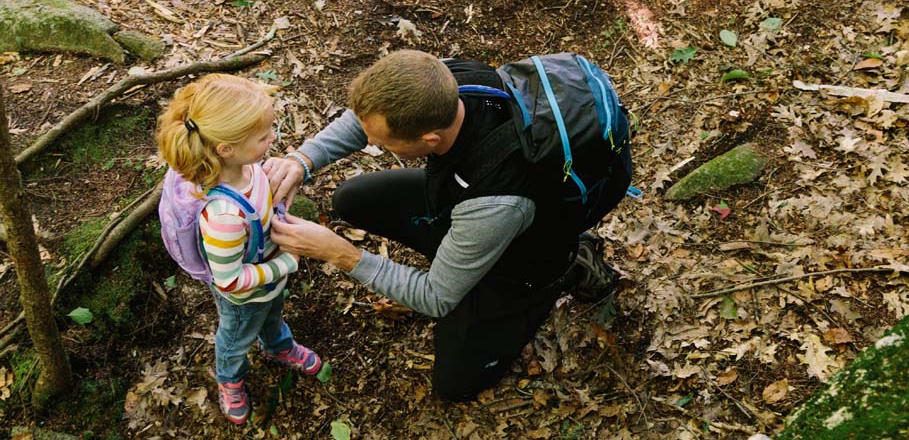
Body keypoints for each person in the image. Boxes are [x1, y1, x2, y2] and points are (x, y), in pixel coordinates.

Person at [265, 49, 619, 402]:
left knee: (454, 386)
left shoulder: (497, 199)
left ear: (429, 140)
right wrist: (303, 160)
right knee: (352, 199)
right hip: (470, 209)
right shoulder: (442, 80)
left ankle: (574, 264)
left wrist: (339, 253)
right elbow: (367, 120)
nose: (370, 142)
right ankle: (463, 255)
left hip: (520, 261)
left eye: (383, 142)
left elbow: (434, 298)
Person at [155, 74, 324, 424]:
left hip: (267, 278)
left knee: (273, 313)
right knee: (235, 338)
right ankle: (229, 379)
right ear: (225, 149)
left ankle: (278, 346)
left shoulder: (247, 166)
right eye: (263, 136)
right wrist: (287, 263)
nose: (273, 139)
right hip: (244, 295)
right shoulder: (223, 218)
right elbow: (229, 280)